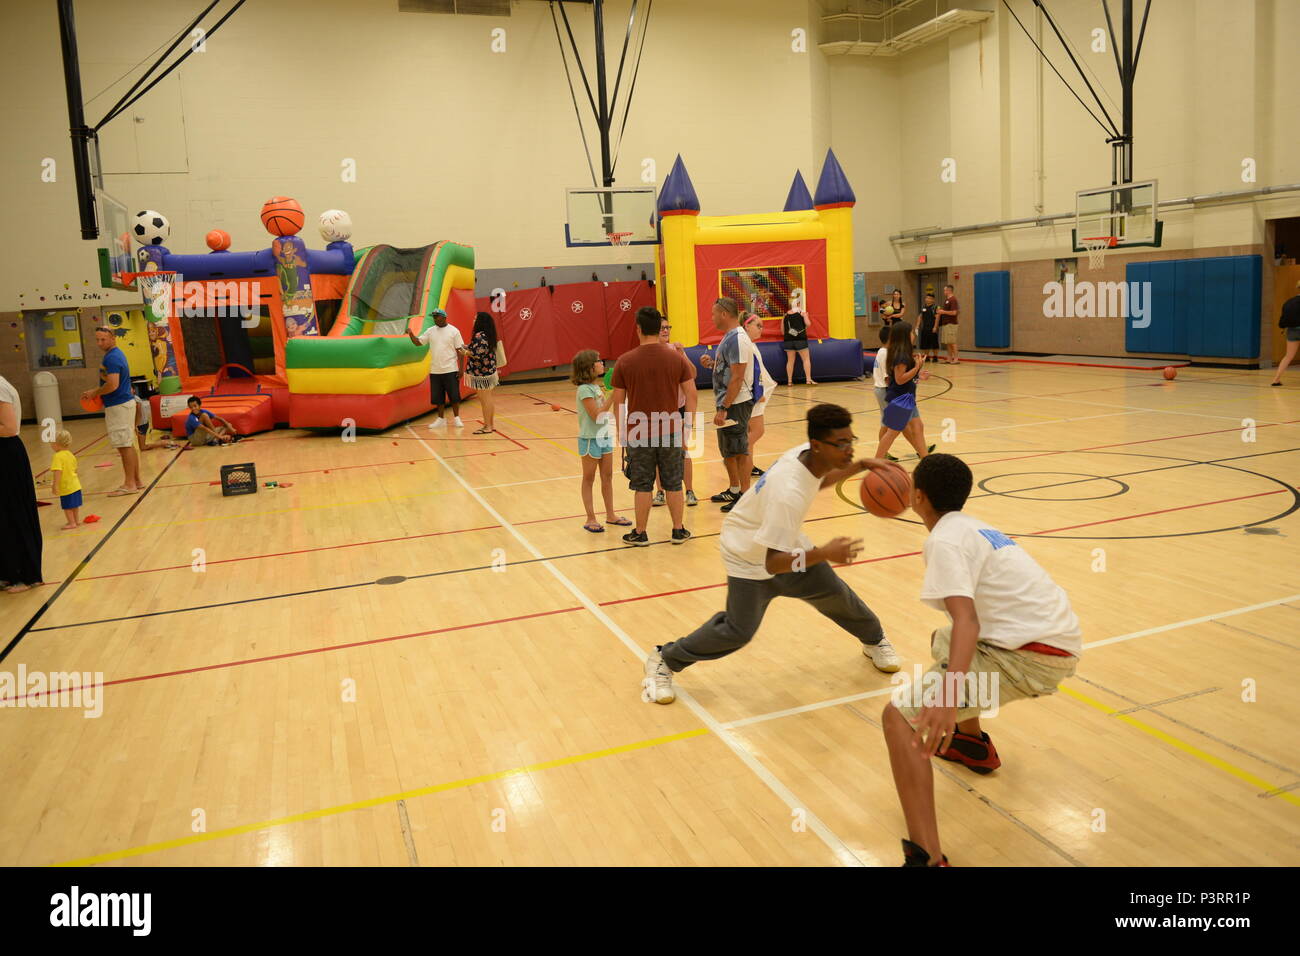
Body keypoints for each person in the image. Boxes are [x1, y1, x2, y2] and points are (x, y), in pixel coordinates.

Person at [881, 453, 1081, 866]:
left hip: (1030, 659)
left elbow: (968, 619)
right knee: (944, 638)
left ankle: (928, 858)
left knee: (899, 718)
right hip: (1053, 641)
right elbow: (962, 627)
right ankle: (970, 743)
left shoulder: (944, 539)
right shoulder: (974, 526)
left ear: (918, 496)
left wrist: (947, 698)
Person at [642, 403, 901, 703]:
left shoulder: (807, 456)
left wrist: (861, 465)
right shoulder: (787, 494)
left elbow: (818, 481)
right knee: (738, 631)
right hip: (748, 554)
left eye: (851, 440)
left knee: (835, 594)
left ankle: (874, 640)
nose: (848, 449)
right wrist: (826, 553)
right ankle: (665, 659)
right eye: (841, 444)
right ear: (818, 445)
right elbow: (773, 563)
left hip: (780, 541)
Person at [610, 307, 697, 546]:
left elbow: (618, 402)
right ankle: (678, 530)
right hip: (671, 430)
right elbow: (692, 393)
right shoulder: (676, 358)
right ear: (659, 328)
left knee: (643, 485)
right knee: (673, 483)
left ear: (638, 329)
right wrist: (687, 427)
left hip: (639, 433)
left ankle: (640, 532)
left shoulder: (625, 361)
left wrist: (621, 432)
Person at [698, 297, 754, 509]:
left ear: (724, 314)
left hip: (736, 403)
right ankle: (733, 490)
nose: (711, 318)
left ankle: (745, 496)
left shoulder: (738, 338)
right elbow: (729, 369)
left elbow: (738, 377)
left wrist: (724, 407)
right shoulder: (729, 337)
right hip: (728, 401)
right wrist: (712, 364)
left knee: (740, 450)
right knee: (728, 450)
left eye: (713, 314)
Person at [573, 349, 630, 533]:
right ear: (589, 367)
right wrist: (613, 394)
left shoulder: (596, 387)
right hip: (590, 439)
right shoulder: (584, 390)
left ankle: (611, 514)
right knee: (589, 478)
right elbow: (597, 415)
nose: (602, 363)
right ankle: (590, 518)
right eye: (598, 361)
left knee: (608, 477)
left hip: (605, 437)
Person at [82, 327, 142, 496]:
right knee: (128, 444)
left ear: (113, 338)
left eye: (103, 339)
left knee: (124, 446)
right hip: (122, 404)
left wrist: (94, 392)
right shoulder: (115, 354)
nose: (100, 343)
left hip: (119, 407)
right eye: (98, 339)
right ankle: (136, 481)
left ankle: (129, 484)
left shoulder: (112, 358)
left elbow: (112, 385)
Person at [0, 374, 43, 593]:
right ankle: (8, 572)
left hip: (7, 455)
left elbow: (8, 428)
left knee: (14, 514)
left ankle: (25, 575)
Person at [652, 316, 698, 508]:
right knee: (657, 453)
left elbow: (693, 374)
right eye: (662, 328)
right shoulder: (651, 353)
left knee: (683, 451)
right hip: (657, 410)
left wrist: (682, 354)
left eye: (668, 327)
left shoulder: (676, 350)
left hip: (677, 409)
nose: (666, 331)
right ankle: (660, 491)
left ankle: (689, 490)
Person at [875, 321, 932, 462]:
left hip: (907, 397)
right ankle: (876, 461)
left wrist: (918, 375)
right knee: (892, 433)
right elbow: (900, 379)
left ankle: (925, 460)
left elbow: (903, 378)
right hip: (901, 398)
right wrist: (917, 368)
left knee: (918, 427)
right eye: (911, 332)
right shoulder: (901, 356)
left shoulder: (903, 353)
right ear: (905, 336)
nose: (913, 335)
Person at [408, 308, 467, 429]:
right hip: (435, 370)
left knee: (454, 396)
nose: (435, 319)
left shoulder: (454, 331)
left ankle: (457, 418)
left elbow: (460, 351)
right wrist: (410, 333)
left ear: (444, 317)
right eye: (434, 317)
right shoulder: (430, 331)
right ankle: (441, 419)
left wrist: (461, 369)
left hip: (451, 369)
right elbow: (418, 342)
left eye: (437, 316)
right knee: (438, 397)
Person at [743, 312, 778, 478]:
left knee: (751, 432)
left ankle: (747, 463)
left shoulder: (750, 345)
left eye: (762, 326)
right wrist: (759, 393)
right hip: (754, 395)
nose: (761, 329)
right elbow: (750, 373)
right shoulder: (747, 346)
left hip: (755, 393)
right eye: (758, 326)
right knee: (757, 432)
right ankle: (742, 461)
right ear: (746, 326)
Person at [465, 311, 500, 432]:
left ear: (481, 321)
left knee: (485, 400)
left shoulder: (479, 335)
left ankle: (487, 426)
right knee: (488, 399)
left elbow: (476, 354)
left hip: (482, 373)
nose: (474, 320)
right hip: (489, 371)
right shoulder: (488, 334)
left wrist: (464, 352)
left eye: (476, 318)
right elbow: (479, 349)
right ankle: (490, 425)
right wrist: (467, 347)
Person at [49, 429, 83, 530]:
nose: (51, 445)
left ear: (57, 444)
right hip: (76, 485)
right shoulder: (70, 454)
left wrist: (55, 485)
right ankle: (76, 521)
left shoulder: (57, 456)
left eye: (52, 443)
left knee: (67, 507)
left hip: (66, 487)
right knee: (75, 505)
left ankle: (71, 523)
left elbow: (58, 472)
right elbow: (75, 469)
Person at [1270, 279, 1300, 386]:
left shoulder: (1289, 302)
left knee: (1288, 356)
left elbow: (1283, 319)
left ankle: (1276, 379)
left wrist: (1282, 327)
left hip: (1292, 331)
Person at [782, 309, 815, 385]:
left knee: (790, 361)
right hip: (800, 340)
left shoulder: (785, 316)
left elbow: (783, 331)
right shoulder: (801, 313)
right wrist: (805, 316)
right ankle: (808, 380)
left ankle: (789, 381)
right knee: (806, 359)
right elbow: (808, 324)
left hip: (788, 341)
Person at [937, 284, 960, 364]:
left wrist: (943, 312)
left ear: (948, 290)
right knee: (948, 342)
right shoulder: (947, 300)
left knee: (952, 342)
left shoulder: (953, 300)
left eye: (944, 290)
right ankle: (949, 358)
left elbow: (954, 312)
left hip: (951, 324)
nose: (944, 292)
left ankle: (956, 358)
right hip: (946, 324)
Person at [917, 292, 940, 363]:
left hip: (932, 328)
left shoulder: (935, 307)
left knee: (934, 343)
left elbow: (937, 317)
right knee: (925, 343)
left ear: (933, 300)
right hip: (925, 328)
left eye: (929, 298)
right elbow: (920, 316)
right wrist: (917, 325)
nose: (927, 299)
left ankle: (935, 357)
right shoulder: (923, 307)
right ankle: (927, 356)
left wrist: (935, 327)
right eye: (926, 298)